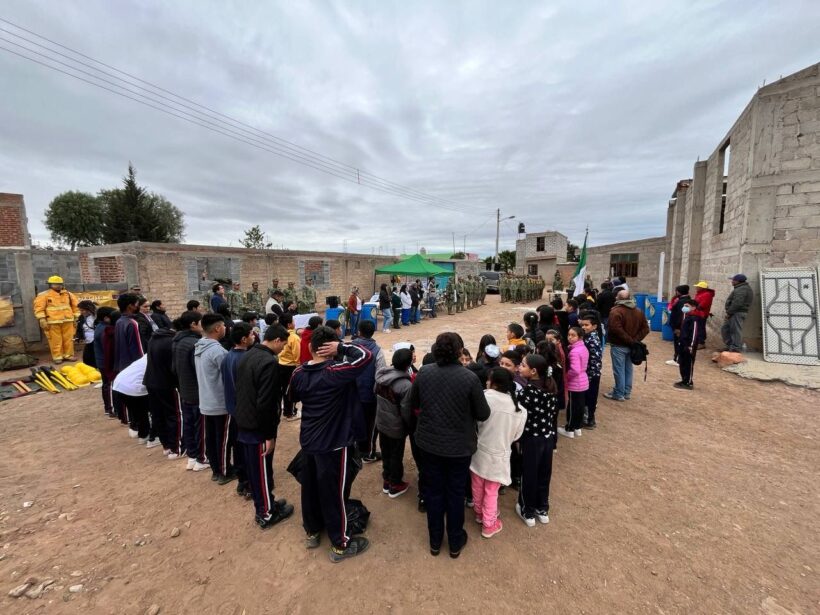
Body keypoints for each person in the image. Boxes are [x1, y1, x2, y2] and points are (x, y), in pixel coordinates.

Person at [289, 326, 373, 562]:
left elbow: (293, 397)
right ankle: (340, 544)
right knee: (334, 493)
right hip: (334, 444)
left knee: (310, 489)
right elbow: (366, 355)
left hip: (309, 441)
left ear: (310, 347)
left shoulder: (298, 373)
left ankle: (312, 531)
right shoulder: (335, 372)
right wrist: (342, 347)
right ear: (331, 348)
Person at [404, 332, 491, 559]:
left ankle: (435, 541)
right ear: (460, 351)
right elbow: (483, 413)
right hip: (459, 447)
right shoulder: (469, 378)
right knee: (455, 492)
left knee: (433, 491)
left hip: (429, 444)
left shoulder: (424, 373)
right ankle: (454, 541)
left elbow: (414, 403)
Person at [235, 324, 295, 529]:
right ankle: (265, 513)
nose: (284, 349)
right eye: (284, 344)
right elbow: (266, 403)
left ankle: (268, 503)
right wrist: (269, 435)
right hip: (257, 428)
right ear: (277, 340)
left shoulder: (248, 354)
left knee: (257, 470)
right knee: (260, 472)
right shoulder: (269, 362)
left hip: (245, 421)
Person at [471, 367, 526, 538]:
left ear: (493, 383)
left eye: (489, 379)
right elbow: (516, 436)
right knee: (491, 490)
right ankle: (489, 524)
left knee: (477, 485)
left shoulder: (484, 397)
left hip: (479, 450)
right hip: (500, 455)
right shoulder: (520, 410)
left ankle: (479, 514)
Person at [515, 354, 557, 527]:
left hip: (532, 439)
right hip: (547, 438)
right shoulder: (551, 388)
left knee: (529, 474)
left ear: (533, 371)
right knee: (544, 473)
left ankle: (527, 510)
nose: (519, 367)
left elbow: (519, 417)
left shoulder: (527, 392)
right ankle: (542, 508)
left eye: (523, 365)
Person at [194, 314, 235, 484]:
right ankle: (224, 472)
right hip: (219, 403)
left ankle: (216, 469)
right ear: (218, 328)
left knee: (211, 438)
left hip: (206, 401)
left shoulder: (199, 347)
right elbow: (229, 376)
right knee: (224, 440)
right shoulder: (218, 351)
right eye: (224, 326)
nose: (225, 328)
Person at [220, 322, 254, 499]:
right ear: (243, 339)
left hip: (233, 410)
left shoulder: (228, 356)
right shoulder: (245, 359)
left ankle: (242, 481)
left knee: (239, 448)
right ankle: (249, 484)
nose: (254, 336)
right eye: (251, 334)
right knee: (247, 449)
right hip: (244, 412)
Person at [172, 311, 209, 472]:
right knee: (200, 426)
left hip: (185, 389)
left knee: (189, 425)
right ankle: (202, 458)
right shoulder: (195, 344)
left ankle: (192, 456)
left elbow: (174, 368)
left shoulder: (178, 341)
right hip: (197, 391)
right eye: (201, 322)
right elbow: (199, 369)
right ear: (193, 324)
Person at [374, 348, 414, 498]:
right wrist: (410, 426)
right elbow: (406, 410)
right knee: (396, 454)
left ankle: (387, 479)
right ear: (408, 365)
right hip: (396, 427)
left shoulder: (381, 376)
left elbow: (374, 392)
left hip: (381, 422)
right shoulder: (405, 385)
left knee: (385, 451)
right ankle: (395, 484)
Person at [604, 290, 649, 402]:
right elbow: (645, 329)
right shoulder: (638, 311)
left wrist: (631, 340)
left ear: (618, 298)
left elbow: (615, 329)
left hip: (619, 345)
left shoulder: (616, 311)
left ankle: (619, 393)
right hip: (632, 346)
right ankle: (626, 392)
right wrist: (635, 340)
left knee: (619, 370)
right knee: (628, 369)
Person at [115, 294, 148, 436]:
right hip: (133, 365)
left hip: (124, 366)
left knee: (133, 404)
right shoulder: (132, 323)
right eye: (137, 304)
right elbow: (139, 349)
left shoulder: (119, 321)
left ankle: (134, 426)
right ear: (130, 306)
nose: (138, 306)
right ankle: (143, 432)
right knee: (141, 402)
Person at [143, 318, 178, 453]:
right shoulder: (171, 342)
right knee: (172, 414)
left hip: (151, 381)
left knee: (158, 414)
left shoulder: (154, 338)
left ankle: (166, 446)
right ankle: (175, 447)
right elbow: (173, 368)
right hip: (166, 383)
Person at [353, 320, 385, 463]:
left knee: (352, 421)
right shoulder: (377, 351)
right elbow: (380, 376)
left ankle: (353, 450)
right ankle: (367, 453)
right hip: (369, 396)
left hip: (352, 394)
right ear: (373, 332)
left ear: (359, 331)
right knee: (370, 425)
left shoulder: (350, 347)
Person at [33, 275, 79, 363]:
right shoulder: (43, 295)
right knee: (55, 340)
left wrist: (76, 317)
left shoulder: (68, 294)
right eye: (55, 284)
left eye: (60, 284)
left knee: (69, 340)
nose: (58, 286)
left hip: (68, 320)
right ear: (50, 285)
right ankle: (57, 357)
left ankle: (68, 355)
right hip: (52, 322)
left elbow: (75, 307)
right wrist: (42, 319)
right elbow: (39, 308)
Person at [558, 326, 589, 438]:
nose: (570, 337)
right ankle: (577, 427)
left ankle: (569, 429)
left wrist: (566, 377)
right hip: (583, 381)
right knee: (579, 406)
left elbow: (575, 370)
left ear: (580, 337)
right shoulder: (583, 348)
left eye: (573, 335)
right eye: (569, 335)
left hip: (575, 383)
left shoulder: (574, 352)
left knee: (572, 407)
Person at [578, 313, 602, 429]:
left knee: (589, 398)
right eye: (582, 325)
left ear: (594, 326)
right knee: (589, 398)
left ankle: (589, 420)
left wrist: (589, 376)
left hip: (591, 374)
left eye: (587, 325)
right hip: (591, 373)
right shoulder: (590, 336)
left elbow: (594, 360)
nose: (584, 327)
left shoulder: (592, 340)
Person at [675, 298, 705, 390]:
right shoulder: (688, 316)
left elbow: (694, 333)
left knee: (688, 363)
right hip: (683, 344)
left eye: (687, 306)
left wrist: (690, 346)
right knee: (682, 363)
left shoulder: (695, 318)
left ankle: (688, 382)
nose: (684, 307)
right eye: (684, 306)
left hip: (689, 346)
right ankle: (684, 380)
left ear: (693, 307)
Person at [92, 307, 117, 418]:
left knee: (106, 384)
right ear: (106, 318)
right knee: (109, 384)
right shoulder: (104, 330)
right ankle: (110, 408)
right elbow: (107, 348)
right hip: (106, 362)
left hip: (103, 361)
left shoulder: (100, 327)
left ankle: (108, 407)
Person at [277, 313, 302, 421]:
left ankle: (287, 410)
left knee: (284, 389)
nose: (294, 323)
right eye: (293, 321)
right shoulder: (294, 337)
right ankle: (290, 413)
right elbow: (297, 355)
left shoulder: (279, 334)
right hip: (290, 367)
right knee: (291, 391)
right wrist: (299, 367)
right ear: (289, 324)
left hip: (280, 364)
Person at [721, 274, 753, 352]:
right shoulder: (740, 288)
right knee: (725, 329)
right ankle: (730, 346)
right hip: (734, 312)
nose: (732, 281)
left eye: (733, 280)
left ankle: (735, 348)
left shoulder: (742, 289)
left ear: (738, 281)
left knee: (735, 331)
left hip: (737, 313)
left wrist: (729, 313)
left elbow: (737, 303)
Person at [666, 285, 691, 366]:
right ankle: (679, 359)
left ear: (679, 292)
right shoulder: (686, 300)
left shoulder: (682, 302)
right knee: (681, 343)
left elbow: (680, 316)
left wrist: (677, 327)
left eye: (676, 291)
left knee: (679, 343)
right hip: (682, 326)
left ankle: (677, 360)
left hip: (680, 327)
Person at [692, 281, 715, 346]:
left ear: (702, 288)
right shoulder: (700, 293)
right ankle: (699, 340)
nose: (696, 288)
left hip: (702, 314)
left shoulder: (707, 294)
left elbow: (703, 304)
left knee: (700, 328)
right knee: (698, 327)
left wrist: (695, 308)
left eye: (698, 287)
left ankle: (701, 342)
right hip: (698, 313)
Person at [76, 300, 97, 366]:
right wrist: (79, 336)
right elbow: (79, 328)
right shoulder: (81, 317)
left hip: (96, 341)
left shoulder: (96, 317)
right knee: (86, 358)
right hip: (88, 341)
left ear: (88, 309)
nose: (81, 312)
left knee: (94, 358)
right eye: (80, 310)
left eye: (82, 310)